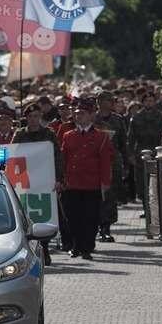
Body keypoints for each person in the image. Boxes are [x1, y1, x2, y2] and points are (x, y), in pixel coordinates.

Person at [11, 103, 64, 265]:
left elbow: (57, 156)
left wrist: (59, 179)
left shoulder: (49, 134)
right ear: (26, 118)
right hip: (25, 179)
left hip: (44, 179)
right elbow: (13, 154)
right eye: (30, 117)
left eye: (36, 116)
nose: (33, 119)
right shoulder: (20, 134)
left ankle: (45, 249)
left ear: (40, 117)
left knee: (44, 214)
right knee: (26, 214)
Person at [60, 100, 113, 260]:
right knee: (72, 216)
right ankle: (75, 246)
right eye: (76, 114)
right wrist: (61, 179)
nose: (78, 116)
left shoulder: (101, 136)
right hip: (72, 183)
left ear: (91, 115)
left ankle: (87, 247)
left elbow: (105, 161)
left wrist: (105, 183)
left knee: (91, 217)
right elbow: (64, 159)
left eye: (82, 113)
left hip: (92, 183)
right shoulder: (68, 135)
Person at [127, 92, 162, 215]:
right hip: (141, 152)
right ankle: (146, 209)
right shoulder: (136, 117)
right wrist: (130, 154)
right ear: (143, 102)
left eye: (151, 100)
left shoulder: (160, 116)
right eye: (147, 100)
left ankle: (157, 209)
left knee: (157, 182)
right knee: (142, 183)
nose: (149, 103)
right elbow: (131, 138)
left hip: (156, 152)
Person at [95, 91, 128, 242]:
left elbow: (123, 143)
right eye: (107, 100)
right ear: (100, 102)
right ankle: (96, 225)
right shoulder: (92, 118)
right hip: (94, 163)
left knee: (110, 196)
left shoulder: (118, 119)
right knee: (95, 196)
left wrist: (126, 163)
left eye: (111, 100)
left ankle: (106, 227)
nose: (110, 103)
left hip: (112, 163)